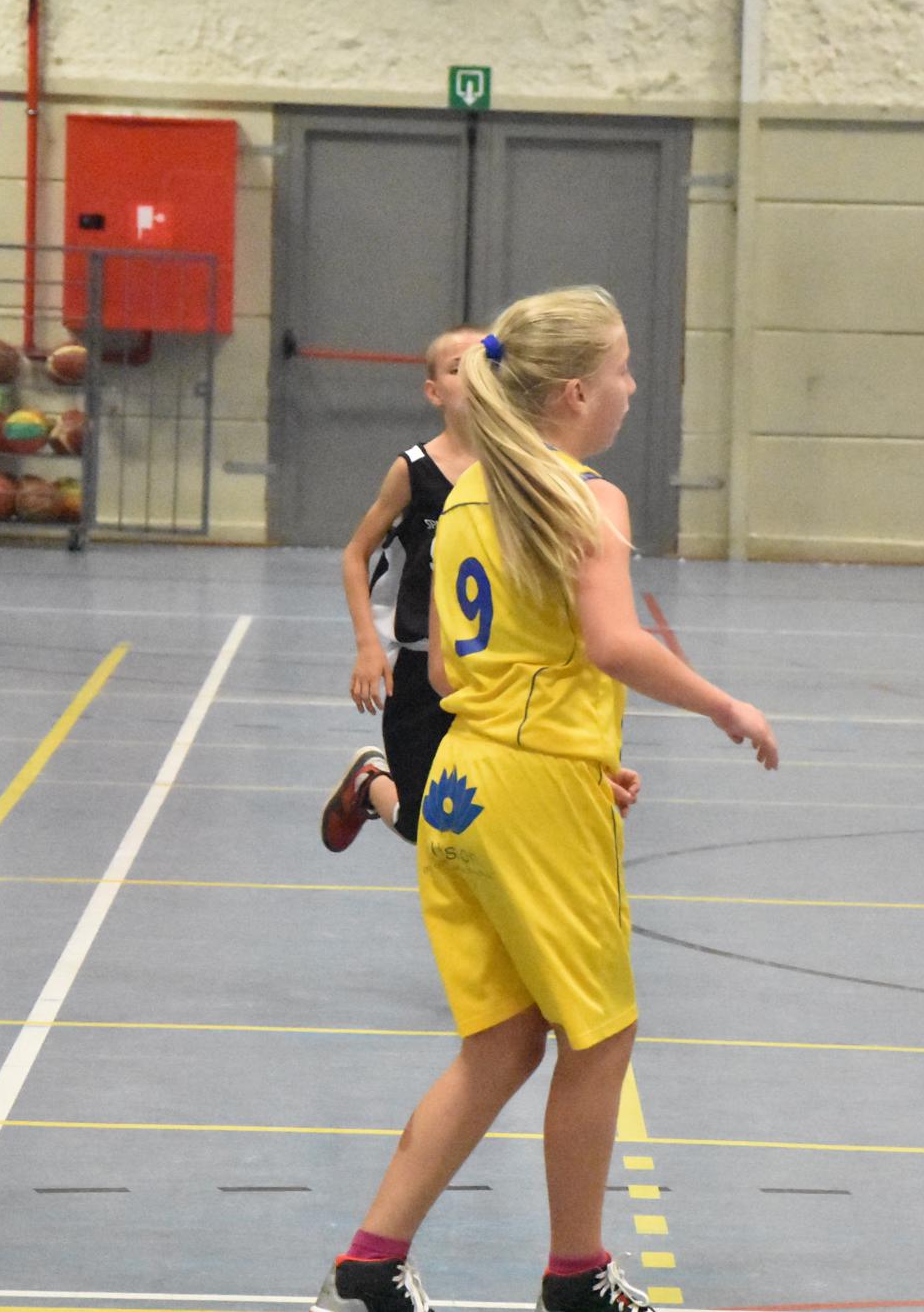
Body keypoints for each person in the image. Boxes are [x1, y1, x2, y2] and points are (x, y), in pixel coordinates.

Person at [310, 286, 779, 1312]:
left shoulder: (465, 495)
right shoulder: (585, 498)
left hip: (462, 781)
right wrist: (723, 704)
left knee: (503, 1040)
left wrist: (572, 746)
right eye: (621, 370)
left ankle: (368, 1265)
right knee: (598, 1035)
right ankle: (575, 1274)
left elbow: (444, 671)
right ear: (573, 392)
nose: (631, 387)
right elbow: (611, 642)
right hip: (532, 794)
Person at [322, 325, 484, 852]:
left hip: (487, 667)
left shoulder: (517, 469)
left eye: (487, 363)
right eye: (459, 367)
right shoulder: (413, 470)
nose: (476, 375)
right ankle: (371, 782)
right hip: (417, 663)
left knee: (478, 815)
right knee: (422, 823)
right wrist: (369, 646)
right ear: (434, 391)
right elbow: (355, 554)